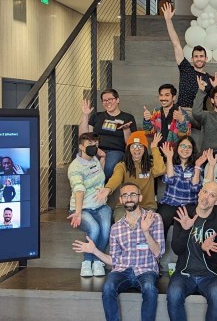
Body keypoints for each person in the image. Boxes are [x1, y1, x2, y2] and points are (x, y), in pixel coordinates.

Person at [73, 183, 164, 321]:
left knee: (149, 288)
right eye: (125, 195)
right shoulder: (116, 228)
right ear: (121, 200)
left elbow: (158, 253)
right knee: (108, 287)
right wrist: (94, 251)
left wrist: (146, 231)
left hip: (146, 269)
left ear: (140, 197)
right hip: (123, 270)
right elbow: (114, 261)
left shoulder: (154, 218)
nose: (129, 198)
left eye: (133, 194)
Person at [165, 182, 217, 321]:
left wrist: (204, 249)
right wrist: (186, 231)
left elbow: (216, 258)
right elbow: (177, 249)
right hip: (184, 272)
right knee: (174, 293)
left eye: (212, 195)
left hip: (210, 274)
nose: (206, 197)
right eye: (205, 192)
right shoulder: (185, 214)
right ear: (199, 192)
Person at [68, 132, 112, 277]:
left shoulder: (95, 160)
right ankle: (87, 262)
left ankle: (98, 261)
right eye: (90, 145)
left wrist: (102, 157)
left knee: (105, 228)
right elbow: (79, 190)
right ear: (81, 147)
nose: (94, 147)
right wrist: (78, 212)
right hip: (82, 208)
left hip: (101, 206)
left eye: (95, 144)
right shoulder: (75, 167)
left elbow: (100, 175)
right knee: (94, 228)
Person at [100, 132, 167, 219]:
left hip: (147, 206)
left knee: (147, 226)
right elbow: (116, 178)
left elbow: (160, 170)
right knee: (122, 225)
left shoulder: (150, 166)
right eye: (133, 146)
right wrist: (108, 188)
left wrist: (154, 148)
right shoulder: (122, 166)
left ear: (145, 149)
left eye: (140, 146)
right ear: (128, 149)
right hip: (125, 206)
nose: (137, 149)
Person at [158, 136, 205, 245]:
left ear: (193, 150)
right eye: (182, 146)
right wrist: (169, 158)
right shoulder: (171, 164)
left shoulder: (196, 166)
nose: (185, 149)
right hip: (170, 202)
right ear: (177, 147)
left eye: (189, 147)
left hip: (189, 204)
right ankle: (158, 251)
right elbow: (169, 180)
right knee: (162, 218)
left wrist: (197, 167)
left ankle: (184, 253)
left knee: (188, 223)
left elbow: (195, 188)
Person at [79, 89, 136, 178]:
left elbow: (130, 143)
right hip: (96, 149)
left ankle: (99, 185)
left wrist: (126, 129)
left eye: (110, 99)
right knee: (85, 166)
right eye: (104, 100)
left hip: (116, 151)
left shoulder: (128, 118)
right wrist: (85, 115)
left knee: (108, 168)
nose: (107, 102)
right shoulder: (97, 116)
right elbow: (84, 136)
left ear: (117, 100)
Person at [162, 1, 209, 109]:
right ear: (192, 58)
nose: (199, 59)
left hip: (200, 114)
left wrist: (216, 87)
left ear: (206, 58)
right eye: (196, 56)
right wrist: (168, 20)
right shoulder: (185, 68)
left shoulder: (210, 78)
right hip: (182, 112)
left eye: (201, 56)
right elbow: (176, 44)